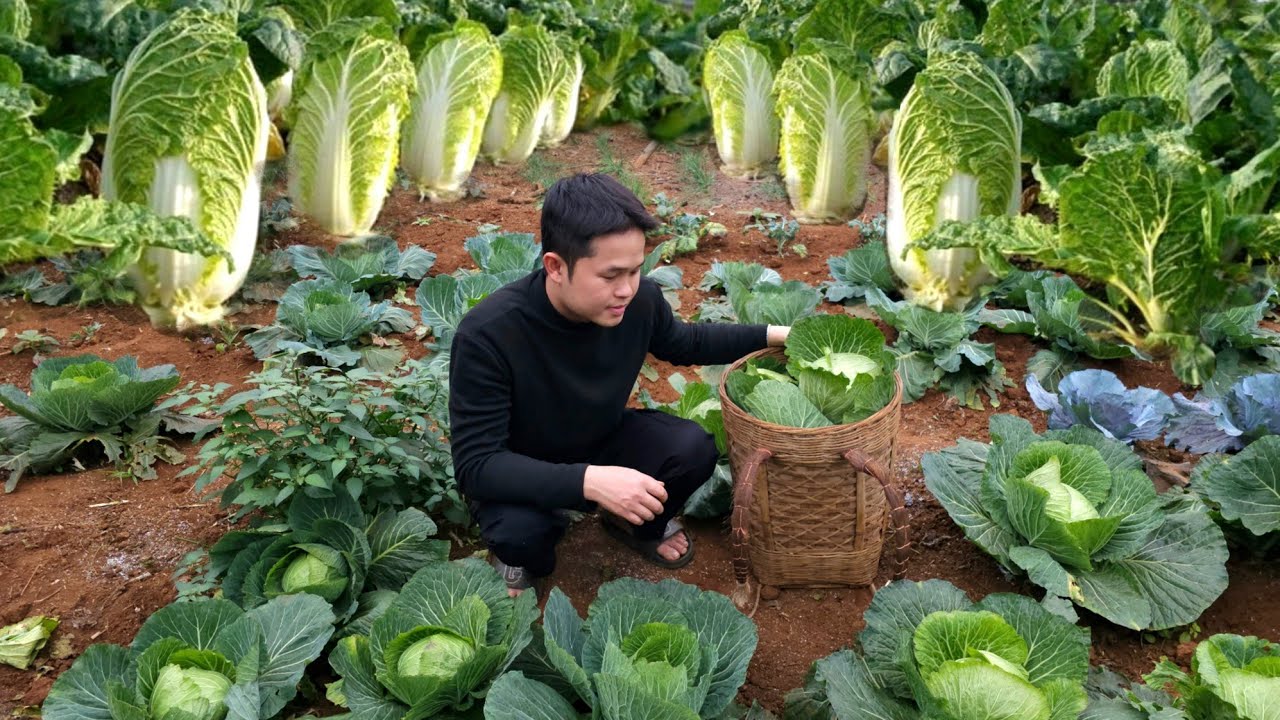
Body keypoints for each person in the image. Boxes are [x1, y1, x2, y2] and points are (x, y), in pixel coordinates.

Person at [447, 172, 790, 597]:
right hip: (523, 468)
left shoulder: (638, 301)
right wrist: (590, 482)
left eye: (636, 270)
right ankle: (528, 545)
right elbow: (477, 466)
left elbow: (687, 342)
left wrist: (779, 335)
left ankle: (633, 524)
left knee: (692, 449)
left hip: (599, 440)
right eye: (611, 275)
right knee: (520, 537)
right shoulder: (489, 334)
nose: (626, 289)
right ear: (556, 266)